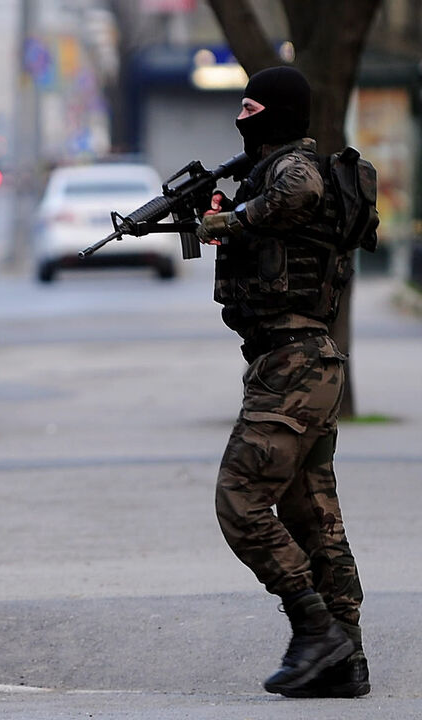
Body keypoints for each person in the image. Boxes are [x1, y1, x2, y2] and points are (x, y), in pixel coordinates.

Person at [196, 66, 368, 698]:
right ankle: (345, 659)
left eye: (250, 107)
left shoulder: (294, 168)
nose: (241, 119)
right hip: (299, 362)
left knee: (239, 499)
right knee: (311, 512)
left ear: (277, 112)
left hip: (294, 365)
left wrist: (233, 221)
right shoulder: (260, 174)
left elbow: (297, 194)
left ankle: (314, 628)